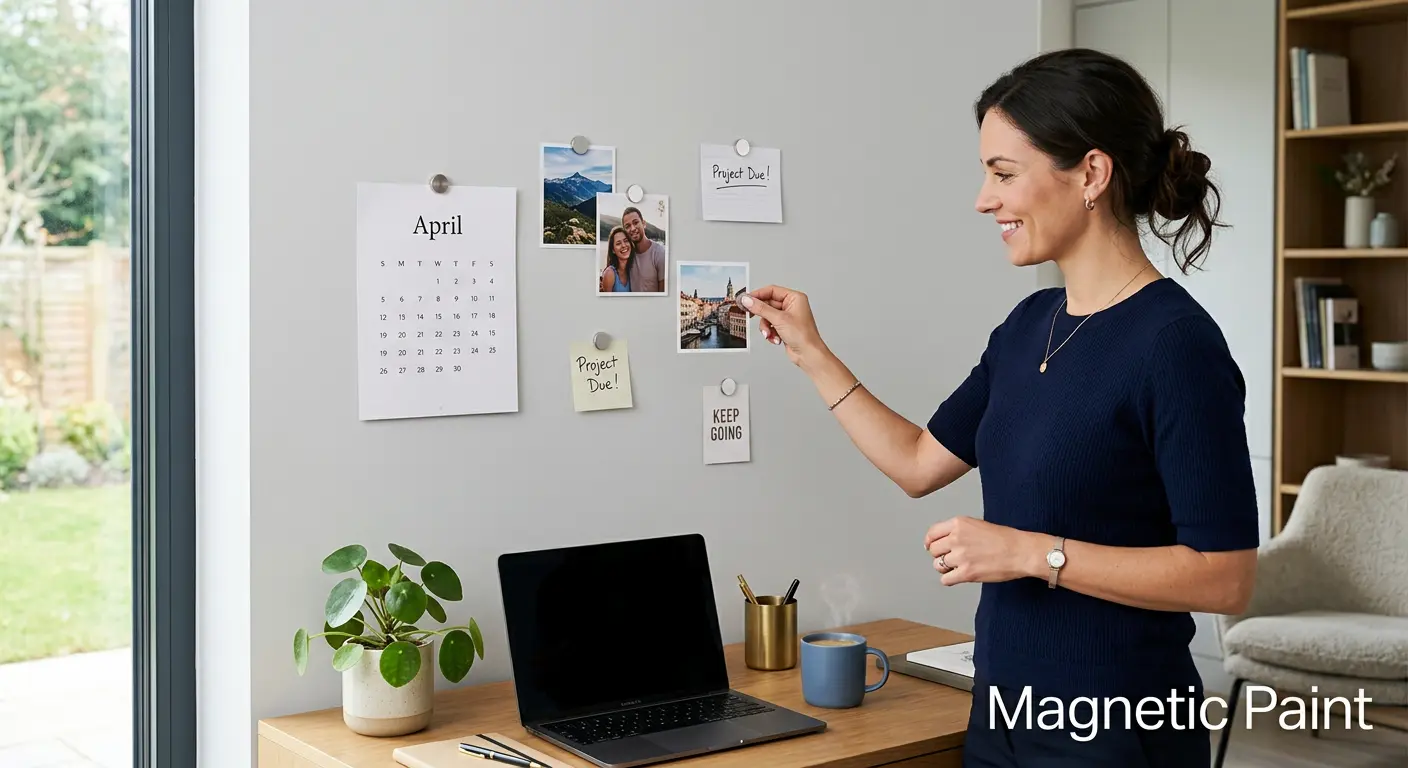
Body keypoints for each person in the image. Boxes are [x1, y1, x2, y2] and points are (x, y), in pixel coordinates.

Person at [737, 48, 1260, 767]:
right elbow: (919, 462)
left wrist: (1029, 553)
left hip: (1116, 731)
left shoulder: (1176, 345)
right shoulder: (1028, 325)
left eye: (1003, 173)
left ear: (1091, 175)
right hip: (1003, 716)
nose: (985, 199)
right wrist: (811, 352)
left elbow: (1225, 576)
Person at [621, 206, 666, 292]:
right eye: (627, 226)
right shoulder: (626, 255)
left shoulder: (659, 253)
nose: (633, 228)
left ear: (644, 223)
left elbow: (663, 295)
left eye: (635, 222)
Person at [599, 226, 635, 293]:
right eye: (618, 243)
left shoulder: (634, 271)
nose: (623, 245)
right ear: (613, 250)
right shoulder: (610, 273)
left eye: (626, 241)